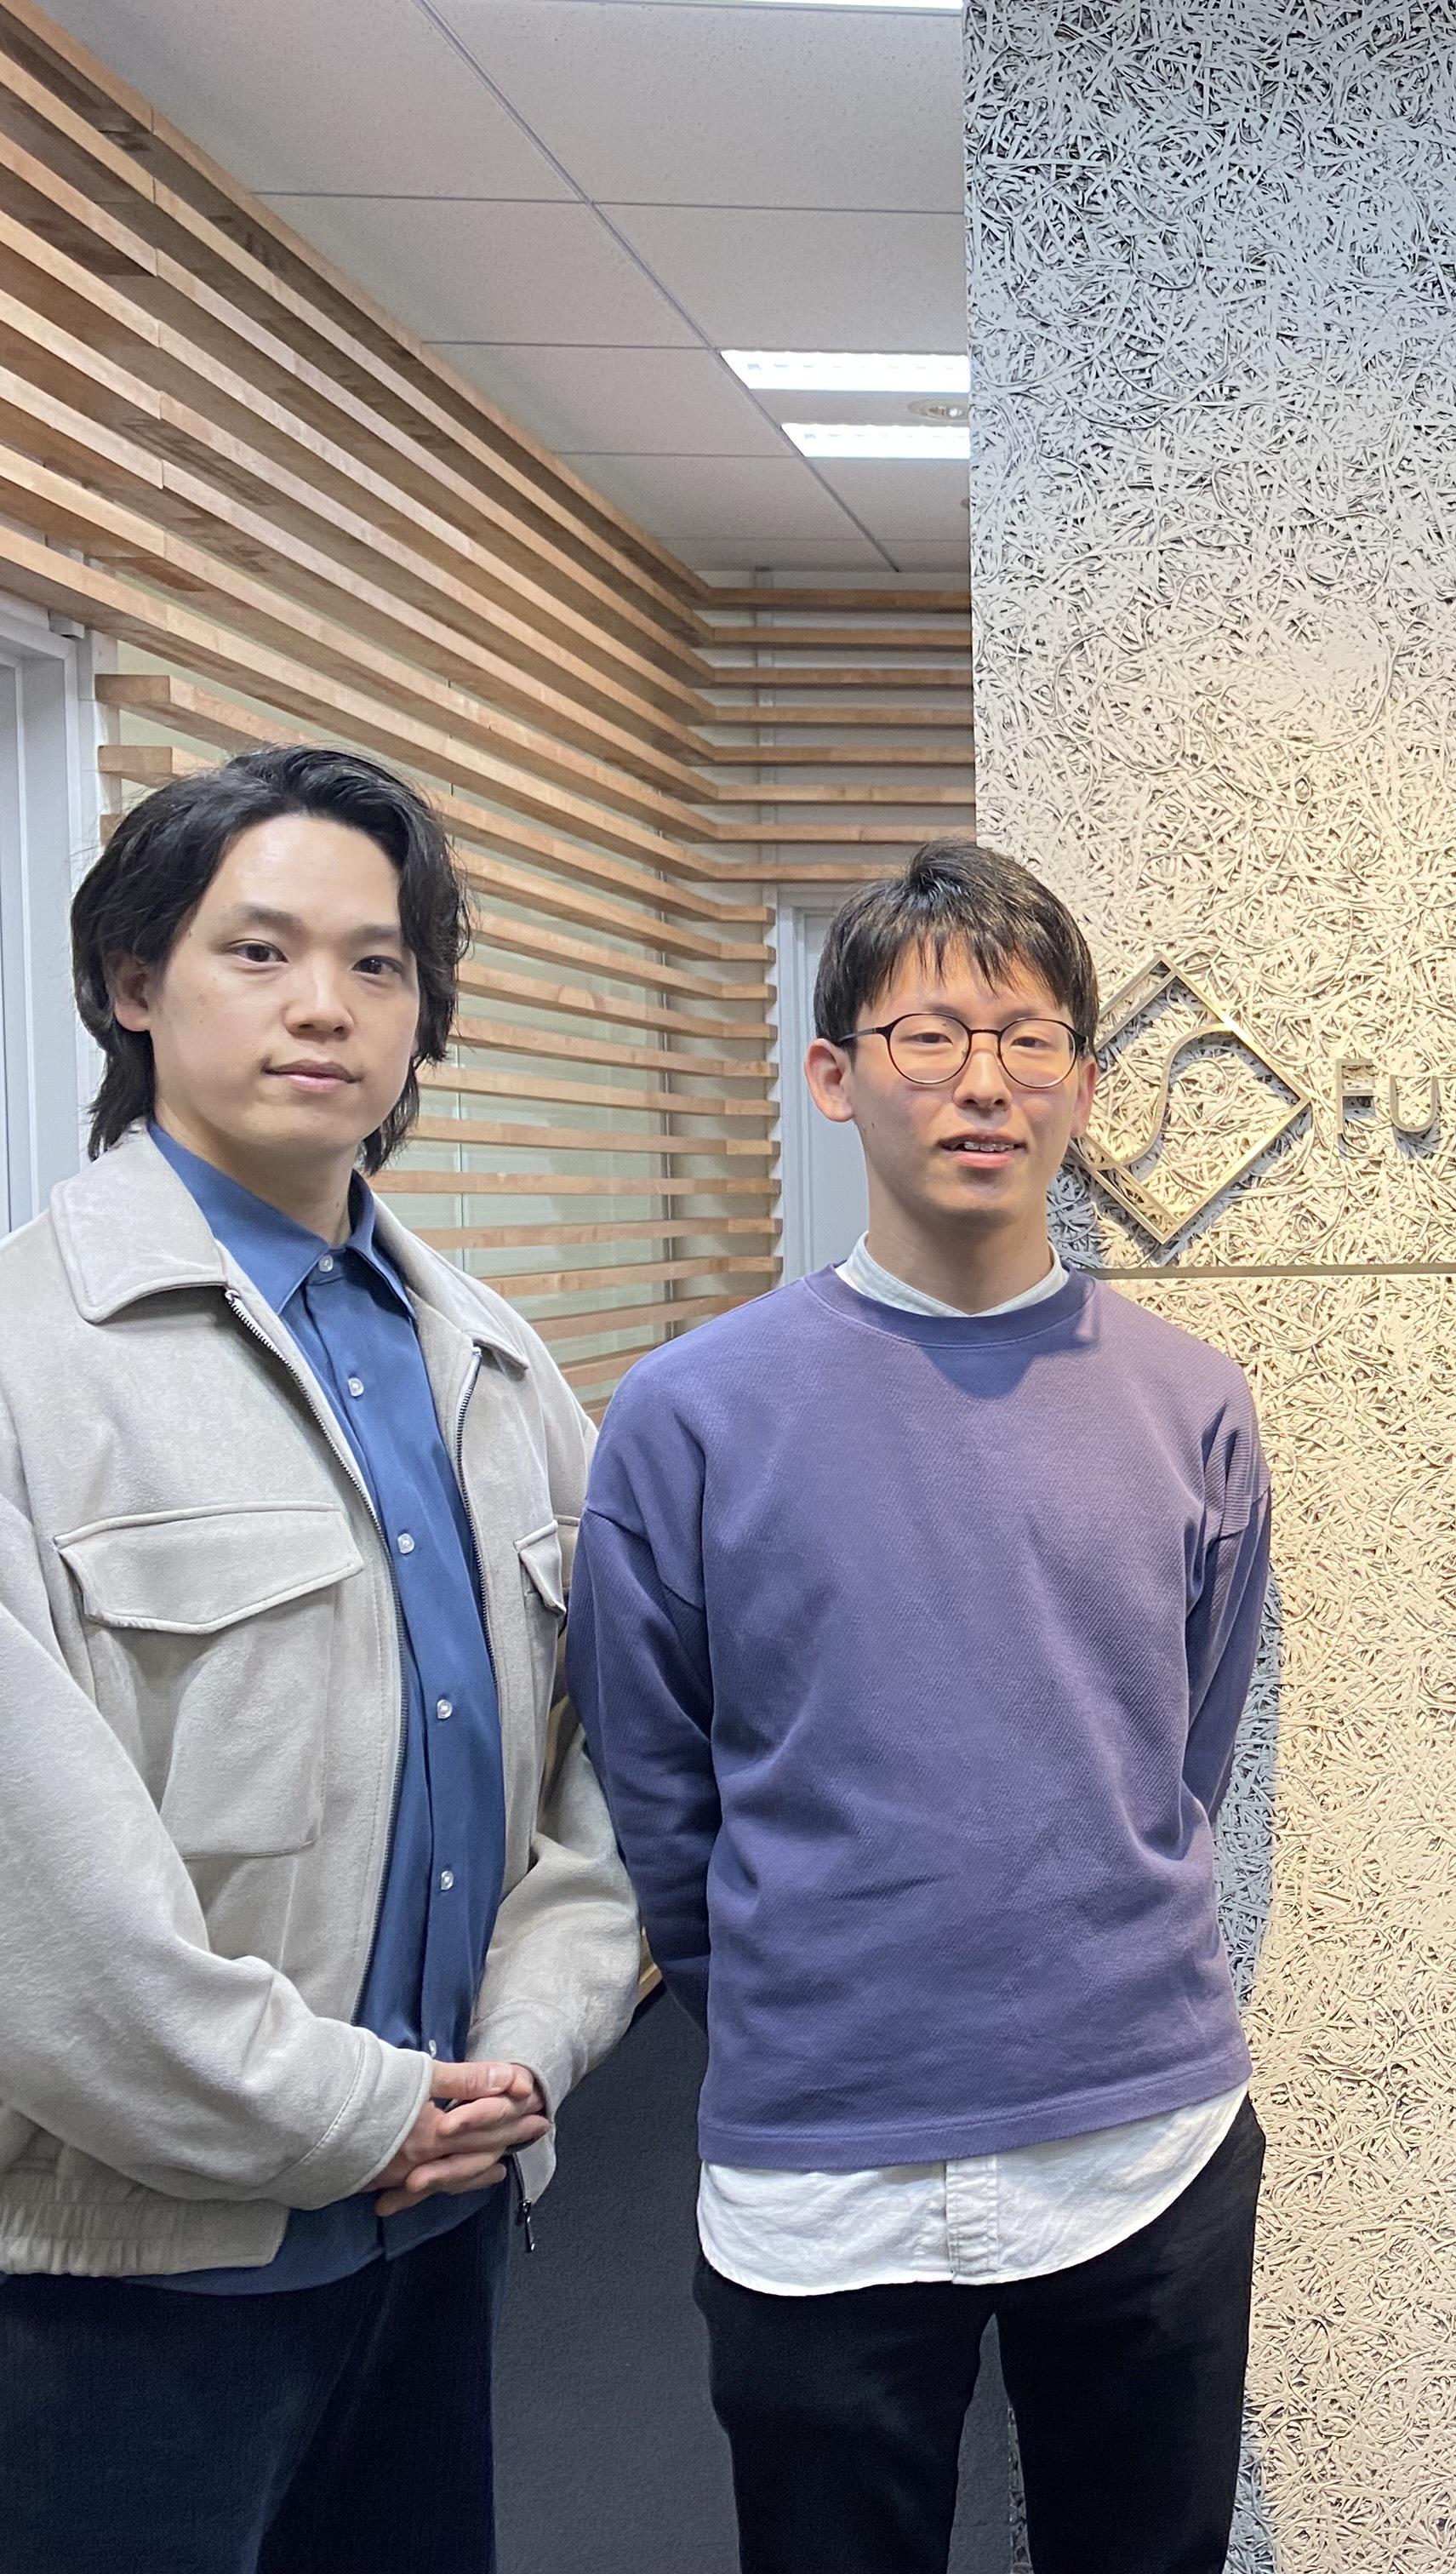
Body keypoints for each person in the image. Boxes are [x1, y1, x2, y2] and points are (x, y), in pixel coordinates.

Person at [569, 840, 1273, 2574]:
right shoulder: (690, 1415)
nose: (984, 1083)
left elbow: (1180, 1747)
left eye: (1030, 1041)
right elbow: (657, 1785)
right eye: (929, 1037)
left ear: (1084, 1088)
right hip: (824, 2167)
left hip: (1141, 2140)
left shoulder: (1191, 1404)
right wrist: (798, 1998)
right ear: (834, 1076)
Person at [0, 746, 644, 2573]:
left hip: (438, 2228)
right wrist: (344, 2114)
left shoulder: (492, 1362)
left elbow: (607, 1768)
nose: (326, 1008)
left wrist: (529, 2052)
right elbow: (44, 1908)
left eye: (379, 964)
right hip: (124, 2285)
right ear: (134, 983)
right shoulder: (31, 1366)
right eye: (260, 951)